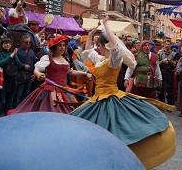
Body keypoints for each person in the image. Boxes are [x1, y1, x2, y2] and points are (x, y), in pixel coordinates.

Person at [70, 14, 176, 169]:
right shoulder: (100, 61)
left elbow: (114, 45)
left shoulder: (114, 60)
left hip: (111, 98)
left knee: (114, 130)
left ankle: (117, 159)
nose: (97, 47)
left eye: (99, 45)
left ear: (106, 45)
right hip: (97, 99)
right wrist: (91, 35)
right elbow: (88, 53)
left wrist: (106, 25)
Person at [12, 35, 90, 114]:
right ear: (54, 47)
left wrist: (84, 73)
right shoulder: (47, 58)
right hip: (50, 91)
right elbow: (36, 69)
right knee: (50, 112)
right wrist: (38, 74)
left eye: (63, 45)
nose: (62, 48)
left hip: (64, 90)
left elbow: (70, 72)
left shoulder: (65, 59)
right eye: (59, 45)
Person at [0, 38, 25, 118]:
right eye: (5, 43)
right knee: (0, 99)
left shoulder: (12, 53)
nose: (7, 45)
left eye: (9, 43)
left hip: (12, 79)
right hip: (2, 79)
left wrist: (25, 66)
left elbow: (19, 65)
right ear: (2, 45)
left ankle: (7, 117)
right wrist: (10, 56)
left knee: (10, 99)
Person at [14, 35, 36, 107]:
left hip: (29, 76)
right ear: (22, 43)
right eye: (26, 42)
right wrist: (23, 66)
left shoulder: (32, 51)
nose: (28, 44)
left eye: (29, 42)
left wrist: (34, 74)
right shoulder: (17, 51)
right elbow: (15, 62)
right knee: (18, 94)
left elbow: (34, 63)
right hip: (20, 75)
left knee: (26, 94)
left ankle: (23, 109)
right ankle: (16, 109)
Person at [158, 39, 180, 104]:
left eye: (168, 44)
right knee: (160, 89)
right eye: (166, 44)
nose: (167, 46)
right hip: (162, 73)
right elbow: (157, 64)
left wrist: (170, 61)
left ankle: (169, 104)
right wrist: (162, 61)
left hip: (170, 73)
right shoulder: (160, 53)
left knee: (170, 89)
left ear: (170, 45)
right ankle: (161, 104)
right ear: (164, 45)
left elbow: (175, 64)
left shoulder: (174, 54)